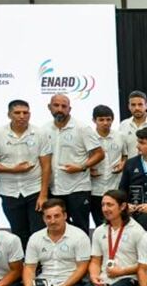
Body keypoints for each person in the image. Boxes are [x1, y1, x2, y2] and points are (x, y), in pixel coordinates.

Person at [0, 99, 50, 246]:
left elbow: (46, 165)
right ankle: (23, 264)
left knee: (38, 231)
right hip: (9, 191)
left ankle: (37, 266)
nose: (22, 116)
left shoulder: (39, 133)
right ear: (9, 114)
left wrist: (43, 194)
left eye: (25, 113)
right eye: (17, 113)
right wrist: (12, 170)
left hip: (34, 190)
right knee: (19, 231)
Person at [41, 94, 104, 233]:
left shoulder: (82, 128)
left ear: (70, 109)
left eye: (64, 106)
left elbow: (99, 153)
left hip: (77, 189)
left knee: (80, 229)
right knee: (55, 228)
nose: (60, 109)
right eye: (56, 105)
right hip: (54, 189)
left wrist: (82, 167)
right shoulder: (43, 130)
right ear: (49, 107)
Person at [89, 105, 126, 227]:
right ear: (94, 120)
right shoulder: (88, 137)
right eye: (101, 120)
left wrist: (122, 164)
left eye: (108, 119)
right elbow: (81, 158)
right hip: (95, 188)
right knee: (100, 224)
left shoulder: (120, 136)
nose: (105, 123)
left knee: (117, 223)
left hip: (115, 186)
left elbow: (125, 156)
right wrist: (88, 170)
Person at [117, 90, 147, 161]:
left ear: (146, 105)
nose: (137, 108)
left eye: (140, 104)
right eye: (133, 105)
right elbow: (123, 151)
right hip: (132, 168)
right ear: (129, 106)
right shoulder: (123, 125)